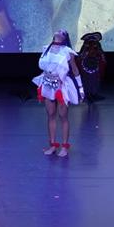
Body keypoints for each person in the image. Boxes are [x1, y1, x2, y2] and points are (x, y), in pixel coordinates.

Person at [32, 29, 84, 157]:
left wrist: (80, 88)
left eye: (62, 32)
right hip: (47, 84)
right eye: (58, 30)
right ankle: (53, 145)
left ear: (65, 37)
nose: (59, 31)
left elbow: (75, 70)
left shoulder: (68, 52)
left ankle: (64, 147)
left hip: (61, 87)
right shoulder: (46, 49)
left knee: (63, 116)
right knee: (50, 115)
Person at [76, 31, 107, 102]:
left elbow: (101, 54)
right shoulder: (85, 45)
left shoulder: (97, 44)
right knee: (86, 80)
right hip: (86, 66)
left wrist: (101, 58)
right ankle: (87, 94)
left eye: (94, 38)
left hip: (95, 65)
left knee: (95, 80)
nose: (92, 40)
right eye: (91, 38)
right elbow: (81, 56)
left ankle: (94, 94)